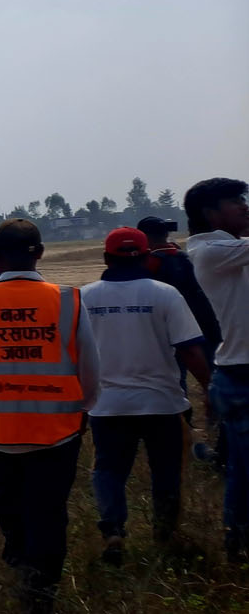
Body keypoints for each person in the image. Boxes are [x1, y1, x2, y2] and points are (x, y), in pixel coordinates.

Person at [0, 219, 99, 613]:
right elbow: (90, 366)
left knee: (6, 497)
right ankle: (42, 589)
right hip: (59, 428)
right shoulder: (69, 300)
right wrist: (86, 409)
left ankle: (19, 558)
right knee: (49, 509)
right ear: (41, 253)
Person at [80, 227, 213, 564]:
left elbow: (71, 354)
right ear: (148, 257)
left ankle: (113, 531)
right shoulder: (165, 294)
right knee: (166, 471)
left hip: (107, 405)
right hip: (162, 403)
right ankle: (165, 534)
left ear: (106, 258)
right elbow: (191, 352)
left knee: (109, 470)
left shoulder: (84, 298)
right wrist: (210, 389)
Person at [184, 176, 249, 563]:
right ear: (210, 214)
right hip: (242, 375)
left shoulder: (234, 248)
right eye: (233, 202)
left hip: (236, 370)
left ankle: (236, 543)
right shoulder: (209, 251)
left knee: (241, 472)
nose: (243, 206)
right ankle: (236, 542)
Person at [138, 215, 226, 468]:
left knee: (176, 386)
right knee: (212, 381)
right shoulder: (184, 257)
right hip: (205, 329)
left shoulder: (150, 263)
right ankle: (218, 428)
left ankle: (182, 431)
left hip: (169, 334)